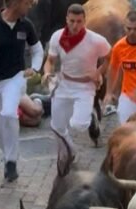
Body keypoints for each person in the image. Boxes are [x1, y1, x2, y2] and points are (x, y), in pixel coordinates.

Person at [0, 0, 44, 182]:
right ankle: (8, 155)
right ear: (16, 3)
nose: (30, 7)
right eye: (27, 3)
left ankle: (11, 162)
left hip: (15, 78)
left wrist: (34, 68)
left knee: (10, 114)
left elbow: (37, 50)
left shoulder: (26, 26)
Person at [44, 4, 110, 157]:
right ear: (66, 19)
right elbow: (50, 60)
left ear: (84, 21)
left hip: (85, 86)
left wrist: (98, 72)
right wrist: (47, 73)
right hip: (64, 83)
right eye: (72, 21)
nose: (75, 25)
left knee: (78, 125)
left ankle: (89, 117)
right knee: (57, 127)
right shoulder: (57, 37)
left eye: (79, 21)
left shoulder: (96, 40)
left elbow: (110, 56)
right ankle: (70, 152)